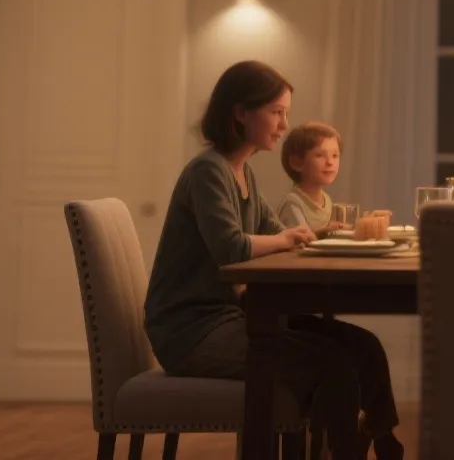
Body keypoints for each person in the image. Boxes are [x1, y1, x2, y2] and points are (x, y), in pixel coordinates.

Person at [143, 61, 404, 460]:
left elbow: (279, 232)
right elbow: (231, 248)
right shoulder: (208, 172)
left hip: (232, 316)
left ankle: (381, 441)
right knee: (333, 364)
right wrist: (285, 237)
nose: (284, 125)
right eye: (277, 112)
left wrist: (331, 233)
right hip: (191, 331)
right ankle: (346, 449)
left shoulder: (242, 172)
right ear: (241, 113)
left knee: (360, 345)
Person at [279, 121, 344, 233]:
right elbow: (298, 239)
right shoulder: (293, 203)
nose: (330, 162)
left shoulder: (327, 200)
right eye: (319, 155)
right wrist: (325, 232)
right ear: (296, 163)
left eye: (334, 156)